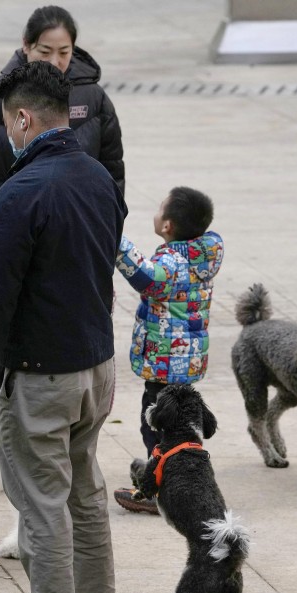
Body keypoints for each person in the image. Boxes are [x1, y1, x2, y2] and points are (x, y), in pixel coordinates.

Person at [0, 60, 126, 593]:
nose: (8, 131)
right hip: (96, 366)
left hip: (43, 374)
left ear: (24, 119)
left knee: (41, 502)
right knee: (84, 489)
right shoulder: (98, 178)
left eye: (8, 122)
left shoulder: (21, 190)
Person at [0, 5, 124, 273]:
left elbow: (112, 172)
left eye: (64, 52)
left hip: (78, 240)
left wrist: (108, 234)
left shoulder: (94, 100)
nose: (55, 61)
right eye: (45, 51)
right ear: (26, 45)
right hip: (11, 238)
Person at [112, 187, 223, 515]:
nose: (156, 211)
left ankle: (154, 486)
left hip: (166, 361)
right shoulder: (202, 254)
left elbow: (146, 277)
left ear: (167, 227)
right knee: (178, 422)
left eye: (160, 208)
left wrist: (115, 238)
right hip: (187, 360)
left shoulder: (172, 262)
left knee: (155, 423)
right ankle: (181, 475)